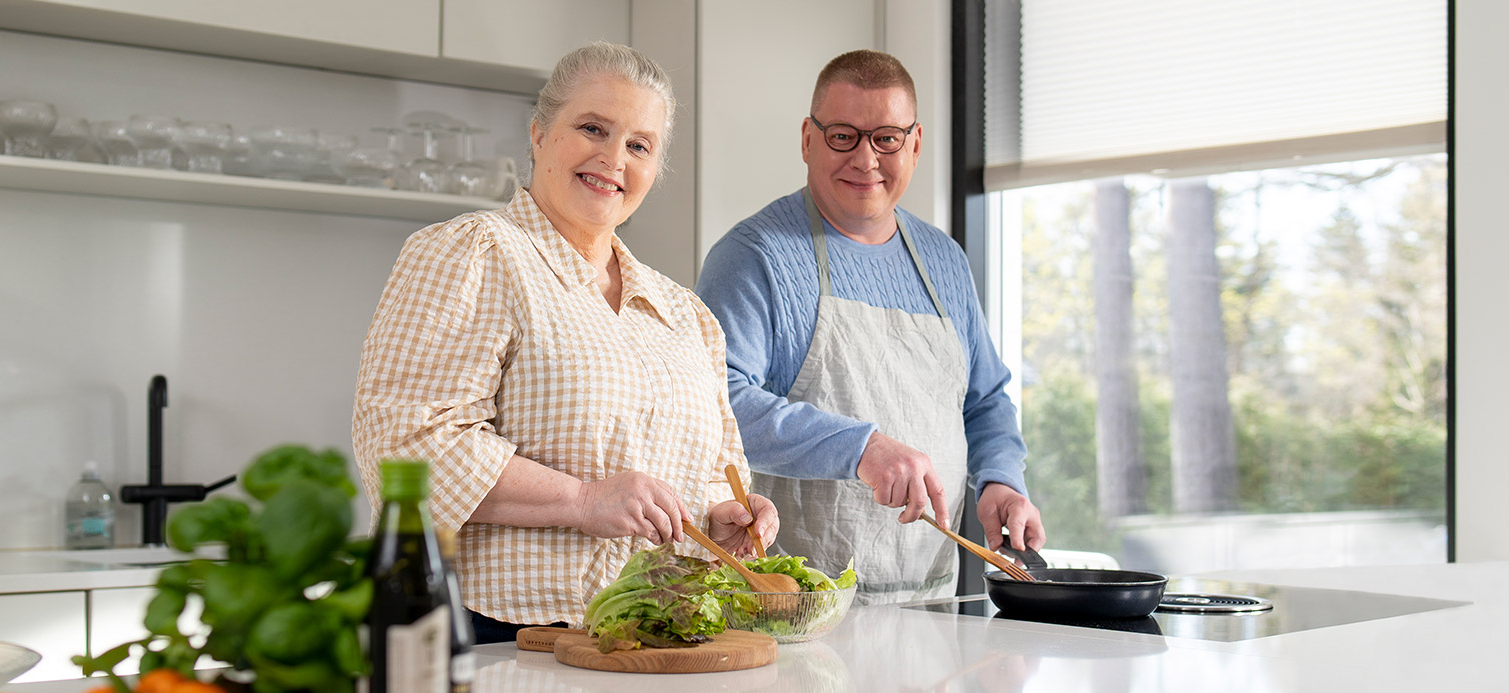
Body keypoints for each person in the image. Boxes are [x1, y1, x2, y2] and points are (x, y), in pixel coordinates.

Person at [353, 42, 779, 644]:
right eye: (592, 128)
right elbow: (406, 445)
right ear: (539, 132)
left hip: (650, 644)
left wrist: (723, 517)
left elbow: (714, 473)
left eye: (639, 145)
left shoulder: (687, 315)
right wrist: (582, 501)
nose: (613, 159)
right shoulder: (476, 252)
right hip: (493, 635)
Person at [694, 49, 1044, 605]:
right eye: (842, 136)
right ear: (808, 139)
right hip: (797, 610)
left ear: (915, 144)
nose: (865, 159)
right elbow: (713, 406)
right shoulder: (753, 256)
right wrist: (861, 448)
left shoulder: (944, 261)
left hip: (933, 603)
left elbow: (984, 401)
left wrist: (1001, 478)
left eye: (885, 138)